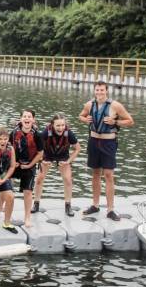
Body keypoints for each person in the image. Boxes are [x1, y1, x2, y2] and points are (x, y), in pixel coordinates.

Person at [79, 81, 134, 221]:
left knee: (108, 174)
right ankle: (95, 205)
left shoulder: (115, 105)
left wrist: (115, 122)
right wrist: (86, 120)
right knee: (95, 173)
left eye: (102, 90)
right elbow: (81, 116)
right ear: (94, 91)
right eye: (97, 90)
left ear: (106, 91)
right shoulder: (89, 104)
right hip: (93, 141)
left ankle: (110, 210)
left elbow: (130, 121)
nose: (99, 93)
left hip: (108, 142)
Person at [32, 113, 81, 216]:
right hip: (47, 154)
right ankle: (36, 203)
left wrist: (68, 161)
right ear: (52, 125)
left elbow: (78, 149)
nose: (60, 128)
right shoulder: (46, 132)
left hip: (63, 155)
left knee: (68, 179)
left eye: (62, 125)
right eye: (58, 125)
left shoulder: (69, 134)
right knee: (40, 178)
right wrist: (41, 160)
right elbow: (36, 147)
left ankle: (68, 205)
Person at [7, 110, 44, 228]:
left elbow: (40, 154)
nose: (27, 119)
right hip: (15, 164)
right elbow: (9, 148)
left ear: (33, 120)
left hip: (29, 165)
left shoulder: (37, 135)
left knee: (27, 191)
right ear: (21, 119)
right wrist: (13, 162)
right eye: (24, 116)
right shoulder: (14, 133)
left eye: (29, 117)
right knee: (6, 186)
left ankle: (27, 217)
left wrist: (29, 165)